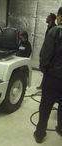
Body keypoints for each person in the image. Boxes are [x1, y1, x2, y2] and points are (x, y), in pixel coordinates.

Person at [33, 7, 62, 143]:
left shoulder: (55, 31)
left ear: (60, 17)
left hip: (53, 77)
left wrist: (44, 69)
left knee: (45, 106)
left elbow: (45, 54)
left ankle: (39, 134)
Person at [36, 13, 56, 89]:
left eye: (47, 17)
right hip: (48, 52)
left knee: (48, 70)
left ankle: (47, 86)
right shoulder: (50, 27)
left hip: (51, 54)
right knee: (46, 71)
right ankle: (43, 85)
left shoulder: (54, 28)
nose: (46, 18)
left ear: (50, 19)